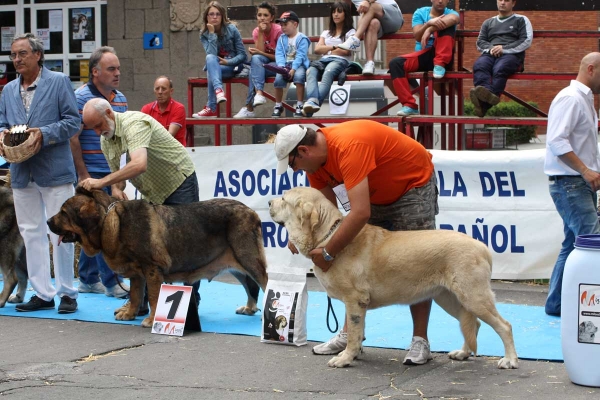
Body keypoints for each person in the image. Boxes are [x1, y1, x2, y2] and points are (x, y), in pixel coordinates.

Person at [273, 120, 439, 365]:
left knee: (418, 262)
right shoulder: (315, 165)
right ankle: (351, 336)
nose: (295, 170)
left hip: (411, 185)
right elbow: (328, 219)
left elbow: (360, 213)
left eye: (292, 164)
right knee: (351, 262)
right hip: (374, 195)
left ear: (304, 151)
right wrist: (299, 235)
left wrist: (327, 253)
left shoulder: (349, 146)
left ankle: (420, 339)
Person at [80, 98, 201, 309]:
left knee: (186, 244)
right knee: (146, 249)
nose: (98, 132)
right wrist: (116, 189)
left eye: (98, 126)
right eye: (93, 129)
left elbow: (139, 164)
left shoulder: (134, 123)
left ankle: (190, 304)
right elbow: (118, 178)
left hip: (178, 181)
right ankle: (143, 302)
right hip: (152, 191)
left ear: (109, 113)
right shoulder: (106, 139)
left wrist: (101, 182)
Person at [0, 33, 80, 313]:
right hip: (22, 173)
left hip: (55, 171)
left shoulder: (58, 82)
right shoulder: (8, 90)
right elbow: (2, 122)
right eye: (13, 55)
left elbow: (73, 122)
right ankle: (42, 293)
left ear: (38, 55)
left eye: (22, 54)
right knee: (30, 233)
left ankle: (68, 293)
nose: (17, 60)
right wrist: (2, 136)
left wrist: (43, 134)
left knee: (62, 233)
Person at [543, 52, 600, 317]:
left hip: (575, 183)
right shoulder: (571, 99)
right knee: (592, 242)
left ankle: (557, 304)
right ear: (591, 69)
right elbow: (557, 141)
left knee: (573, 244)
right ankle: (584, 306)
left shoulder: (582, 100)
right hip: (571, 183)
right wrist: (586, 171)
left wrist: (588, 172)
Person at [71, 46, 129, 299]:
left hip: (112, 173)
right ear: (95, 72)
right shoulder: (80, 98)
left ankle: (86, 279)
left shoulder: (121, 99)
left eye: (118, 68)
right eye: (111, 69)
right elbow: (73, 139)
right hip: (90, 173)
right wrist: (83, 175)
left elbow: (123, 139)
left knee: (95, 226)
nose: (117, 73)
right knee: (107, 228)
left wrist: (120, 177)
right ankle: (111, 282)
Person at [389, 0, 459, 116]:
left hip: (444, 57)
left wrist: (430, 29)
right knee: (395, 64)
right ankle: (409, 105)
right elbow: (417, 36)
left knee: (447, 25)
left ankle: (439, 64)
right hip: (424, 56)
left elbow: (454, 19)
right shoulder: (420, 12)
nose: (440, 1)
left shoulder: (451, 13)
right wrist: (428, 23)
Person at [470, 0, 532, 117]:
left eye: (507, 0)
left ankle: (488, 99)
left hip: (512, 56)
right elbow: (480, 42)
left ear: (513, 3)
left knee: (500, 67)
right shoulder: (488, 22)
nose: (502, 3)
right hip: (490, 54)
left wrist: (503, 49)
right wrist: (491, 49)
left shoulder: (521, 20)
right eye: (500, 0)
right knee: (479, 65)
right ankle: (485, 95)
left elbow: (526, 41)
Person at [192, 1, 246, 118]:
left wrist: (228, 62)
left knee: (211, 70)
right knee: (210, 58)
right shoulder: (204, 34)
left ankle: (211, 107)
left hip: (233, 66)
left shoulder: (232, 29)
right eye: (211, 14)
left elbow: (243, 55)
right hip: (217, 68)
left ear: (222, 16)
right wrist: (212, 34)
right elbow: (211, 54)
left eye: (218, 14)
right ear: (207, 17)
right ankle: (219, 91)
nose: (215, 17)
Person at [302, 1, 355, 117]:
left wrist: (326, 49)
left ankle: (311, 106)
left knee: (328, 72)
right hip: (322, 61)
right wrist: (335, 47)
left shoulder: (351, 32)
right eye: (334, 12)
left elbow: (346, 51)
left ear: (346, 14)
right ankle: (312, 102)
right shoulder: (326, 33)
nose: (336, 14)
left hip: (340, 61)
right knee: (310, 71)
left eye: (339, 12)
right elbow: (317, 49)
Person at [234, 2, 283, 119]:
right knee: (256, 60)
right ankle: (259, 94)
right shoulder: (256, 31)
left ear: (271, 17)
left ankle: (249, 107)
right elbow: (259, 52)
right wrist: (261, 33)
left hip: (280, 64)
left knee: (254, 70)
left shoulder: (278, 31)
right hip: (265, 63)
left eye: (265, 15)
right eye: (259, 15)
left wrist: (260, 53)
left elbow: (281, 57)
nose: (262, 18)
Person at [337, 0, 403, 75]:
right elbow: (344, 9)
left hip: (393, 16)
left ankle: (355, 39)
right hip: (375, 22)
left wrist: (367, 1)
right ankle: (369, 63)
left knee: (371, 6)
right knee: (373, 23)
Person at [271, 11, 310, 117]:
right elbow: (279, 54)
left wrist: (293, 69)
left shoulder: (302, 39)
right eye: (281, 25)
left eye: (286, 24)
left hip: (299, 64)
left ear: (295, 24)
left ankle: (299, 104)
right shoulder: (281, 39)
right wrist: (281, 67)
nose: (283, 27)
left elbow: (301, 56)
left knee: (299, 77)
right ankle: (278, 105)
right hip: (285, 64)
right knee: (278, 80)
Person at [141, 76, 187, 146]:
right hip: (153, 151)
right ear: (154, 91)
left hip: (175, 152)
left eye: (164, 89)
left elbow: (169, 136)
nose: (160, 92)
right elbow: (141, 133)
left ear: (171, 91)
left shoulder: (178, 108)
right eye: (157, 89)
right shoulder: (146, 109)